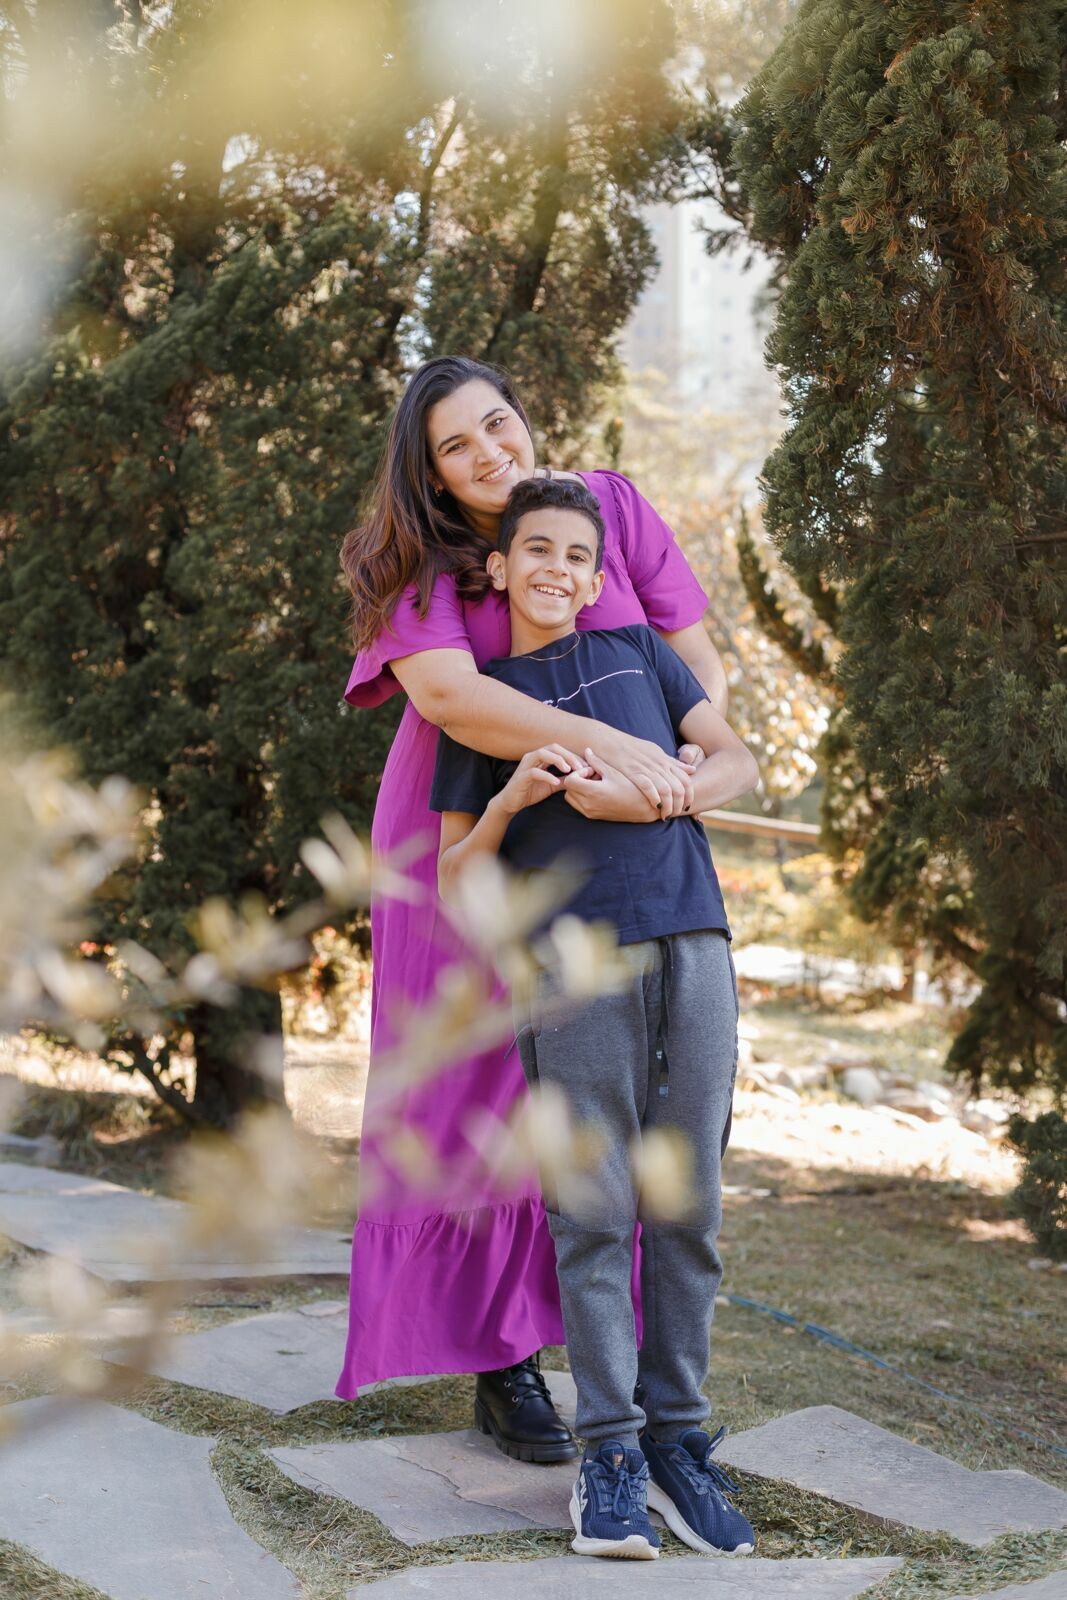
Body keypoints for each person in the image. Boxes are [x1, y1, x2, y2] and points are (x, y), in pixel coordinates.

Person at [337, 355, 729, 1465]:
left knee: (610, 1086)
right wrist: (629, 750)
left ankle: (632, 1376)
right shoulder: (413, 560)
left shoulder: (606, 507)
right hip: (467, 826)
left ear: (526, 415)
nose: (487, 453)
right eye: (454, 445)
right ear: (427, 468)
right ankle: (500, 1361)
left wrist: (671, 786)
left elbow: (696, 672)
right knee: (479, 1082)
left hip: (619, 838)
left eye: (496, 424)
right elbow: (454, 698)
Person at [430, 474, 759, 1559]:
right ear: (500, 565)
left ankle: (678, 1445)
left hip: (692, 943)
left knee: (689, 1209)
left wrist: (659, 791)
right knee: (594, 1209)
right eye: (537, 551)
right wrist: (514, 801)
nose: (558, 570)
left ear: (598, 571)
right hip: (569, 968)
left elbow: (735, 761)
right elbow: (454, 879)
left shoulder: (642, 657)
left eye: (578, 554)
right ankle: (608, 1455)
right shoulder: (485, 704)